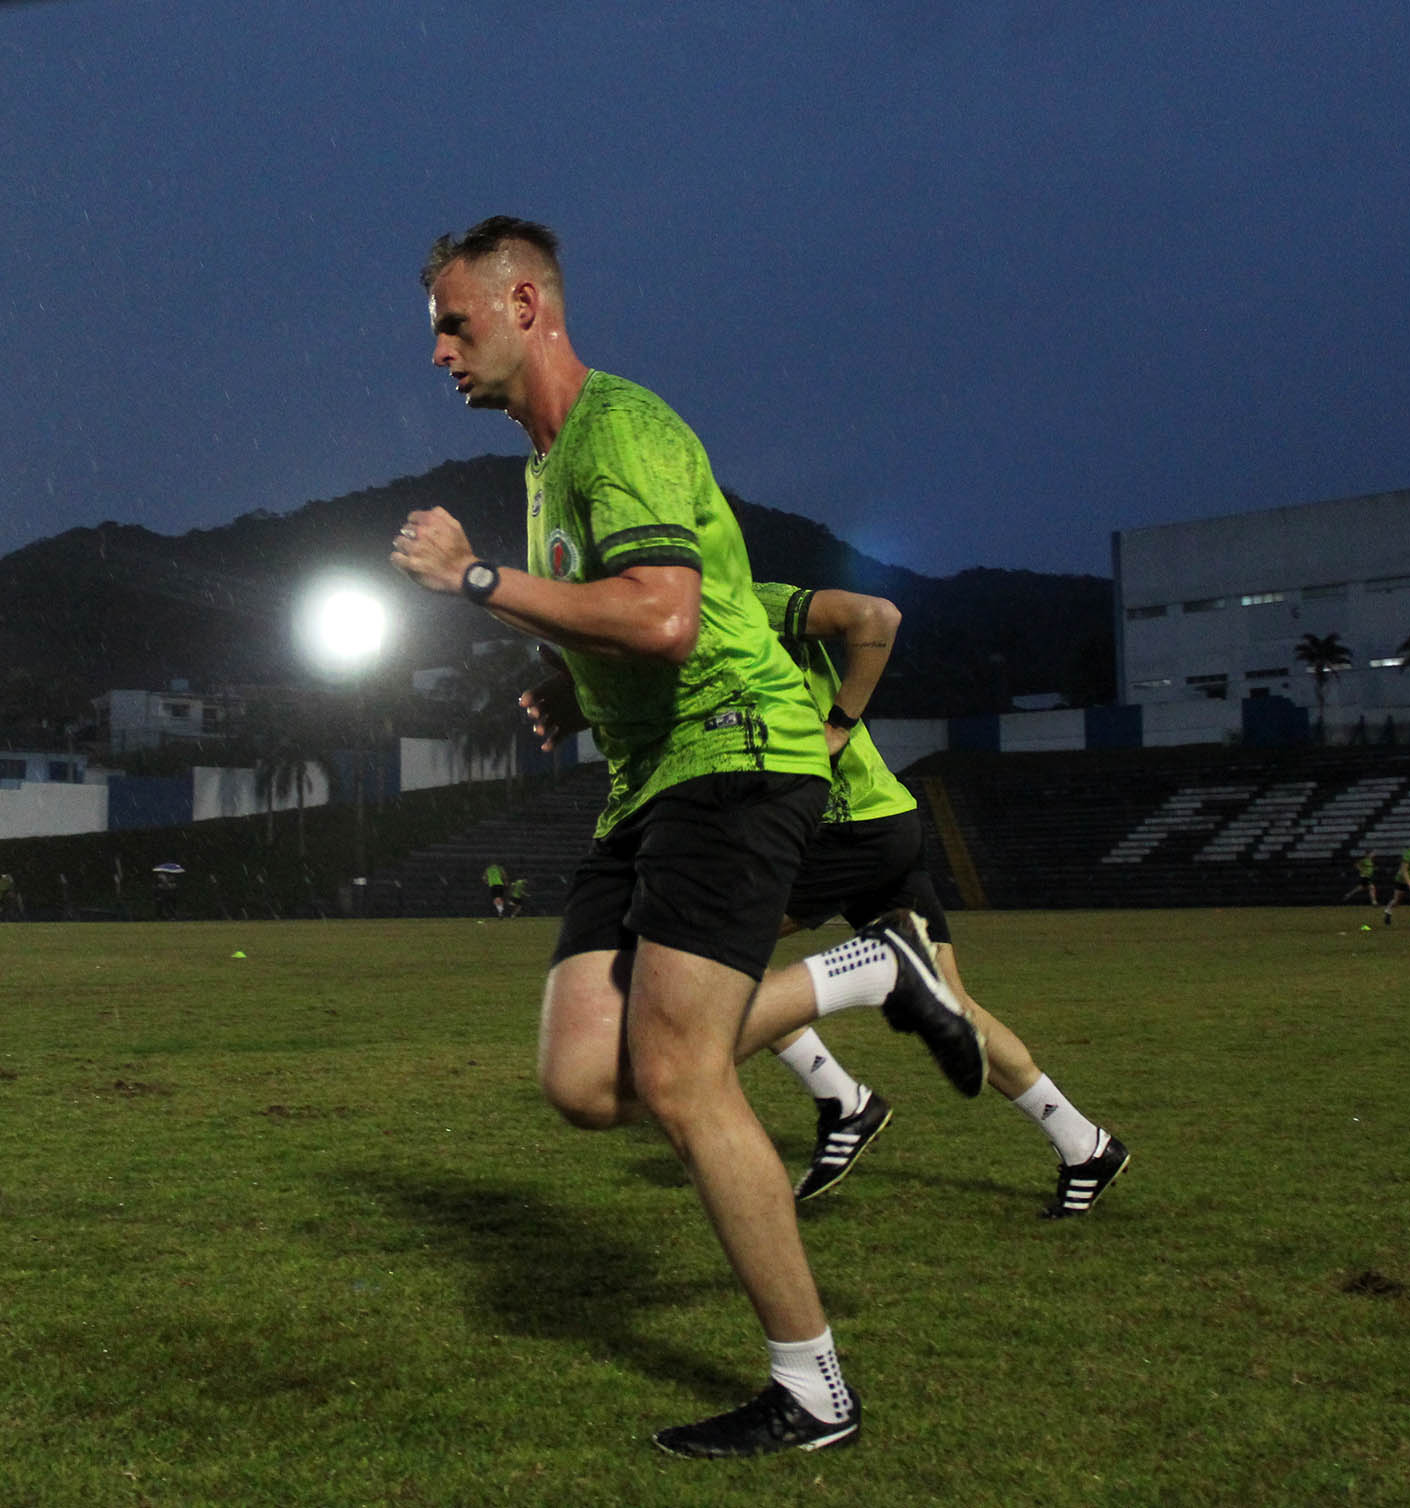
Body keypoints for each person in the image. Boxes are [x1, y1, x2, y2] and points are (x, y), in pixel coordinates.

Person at [396, 217, 981, 1459]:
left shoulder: (620, 429)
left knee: (678, 1075)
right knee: (582, 1079)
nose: (438, 350)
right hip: (646, 778)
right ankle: (870, 969)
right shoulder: (545, 467)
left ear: (524, 304)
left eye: (453, 322)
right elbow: (615, 617)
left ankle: (811, 1389)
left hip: (731, 754)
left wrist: (475, 581)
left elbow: (664, 618)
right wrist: (568, 677)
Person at [531, 581, 1128, 1216]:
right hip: (878, 820)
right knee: (950, 1005)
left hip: (840, 828)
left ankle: (845, 1094)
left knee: (703, 957)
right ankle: (1083, 1143)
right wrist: (585, 696)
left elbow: (876, 616)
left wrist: (838, 726)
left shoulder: (740, 604)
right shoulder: (692, 640)